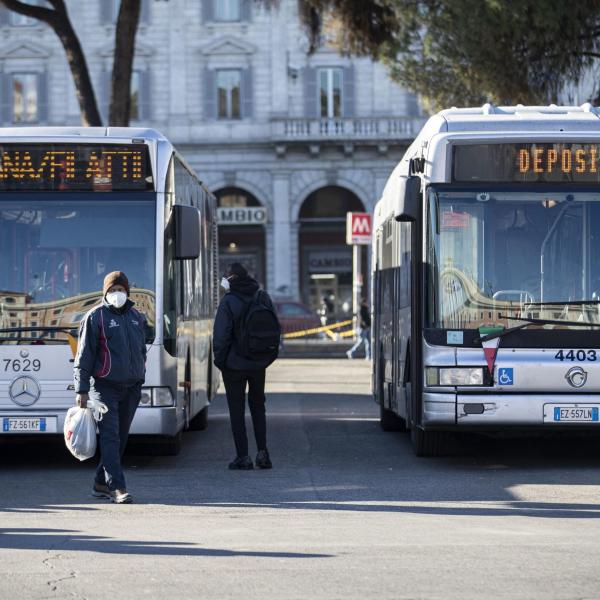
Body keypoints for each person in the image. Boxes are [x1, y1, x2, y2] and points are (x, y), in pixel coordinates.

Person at [73, 271, 147, 504]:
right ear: (106, 292)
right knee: (110, 437)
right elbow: (83, 356)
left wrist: (140, 377)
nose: (118, 294)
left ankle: (99, 483)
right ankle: (117, 488)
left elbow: (141, 350)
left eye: (122, 290)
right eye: (113, 290)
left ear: (128, 292)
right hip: (104, 388)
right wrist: (81, 390)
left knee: (121, 438)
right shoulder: (95, 317)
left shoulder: (136, 316)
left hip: (131, 388)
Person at [213, 263, 280, 470]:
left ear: (230, 278)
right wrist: (267, 358)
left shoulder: (228, 301)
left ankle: (243, 456)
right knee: (258, 406)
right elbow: (274, 329)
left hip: (234, 365)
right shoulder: (262, 296)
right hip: (258, 362)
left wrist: (220, 361)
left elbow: (221, 335)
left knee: (237, 410)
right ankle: (263, 453)